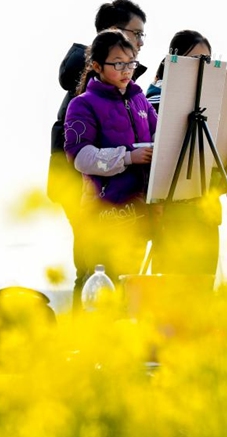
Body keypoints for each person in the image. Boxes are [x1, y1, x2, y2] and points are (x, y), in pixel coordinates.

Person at [48, 0, 148, 315]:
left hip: (119, 197)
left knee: (112, 273)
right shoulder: (86, 94)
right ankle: (85, 348)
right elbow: (79, 152)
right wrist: (129, 158)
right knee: (93, 272)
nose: (141, 43)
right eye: (137, 34)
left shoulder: (132, 92)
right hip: (88, 194)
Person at [64, 29, 158, 290]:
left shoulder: (140, 100)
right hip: (103, 218)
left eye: (130, 63)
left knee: (130, 292)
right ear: (96, 66)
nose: (126, 70)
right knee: (104, 293)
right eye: (118, 63)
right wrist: (128, 157)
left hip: (138, 215)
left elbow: (161, 134)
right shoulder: (82, 104)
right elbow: (81, 157)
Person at [145, 30, 221, 281]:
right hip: (172, 208)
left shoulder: (214, 99)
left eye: (207, 60)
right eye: (196, 59)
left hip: (204, 206)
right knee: (171, 287)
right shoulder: (153, 99)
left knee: (204, 286)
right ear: (174, 57)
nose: (203, 66)